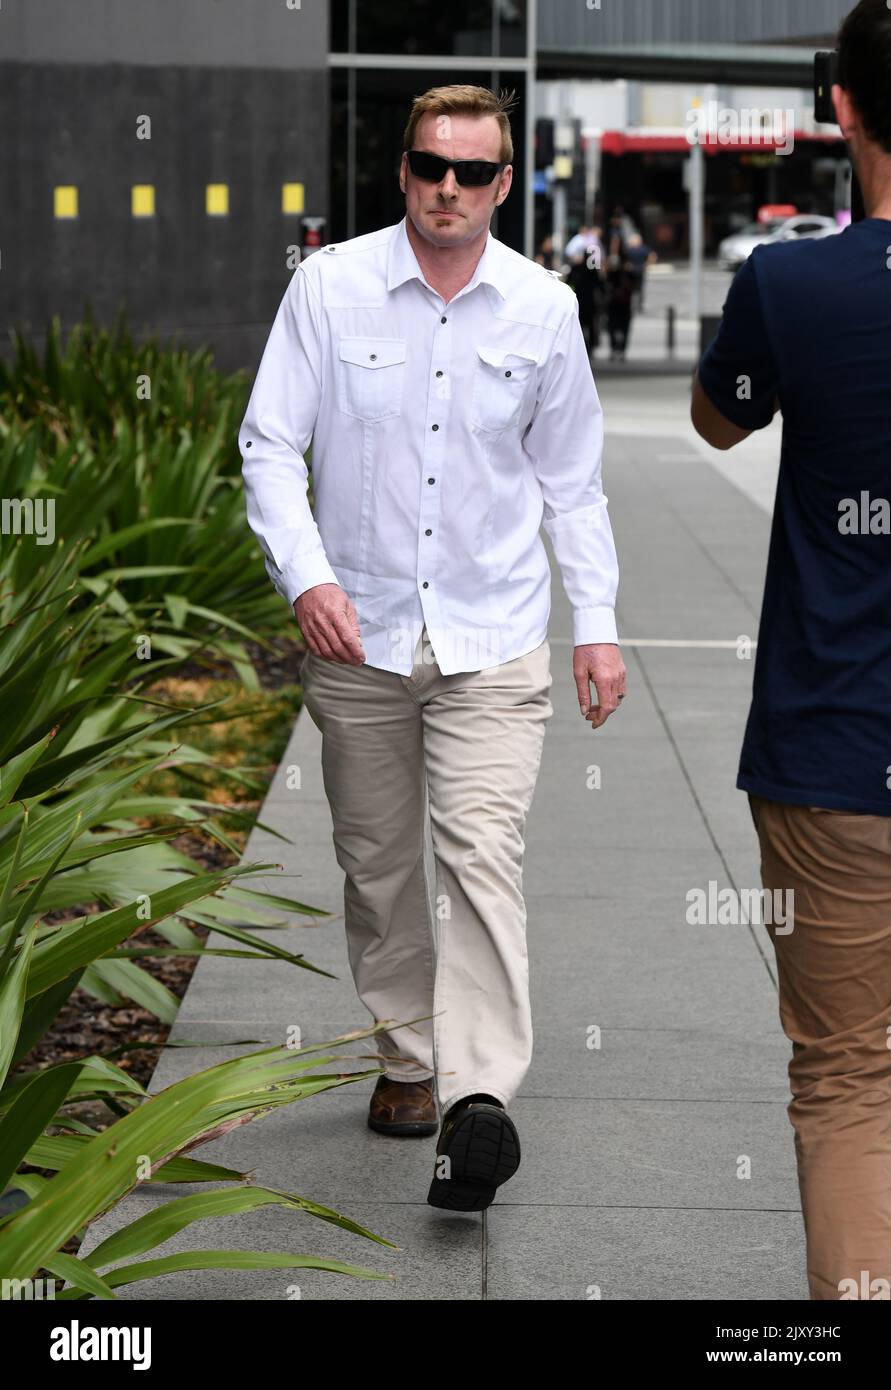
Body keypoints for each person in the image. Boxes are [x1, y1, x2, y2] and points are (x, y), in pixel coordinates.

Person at [239, 84, 626, 1213]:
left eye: (470, 172)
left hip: (493, 637)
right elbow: (269, 445)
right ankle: (409, 1059)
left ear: (504, 184)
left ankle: (478, 1099)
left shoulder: (543, 310)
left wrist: (595, 626)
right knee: (378, 865)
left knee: (481, 853)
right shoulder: (329, 287)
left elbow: (573, 484)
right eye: (428, 167)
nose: (446, 189)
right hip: (356, 635)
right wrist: (304, 574)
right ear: (401, 172)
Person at [691, 0, 891, 1301]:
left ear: (838, 107)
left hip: (832, 751)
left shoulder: (787, 285)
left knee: (844, 1073)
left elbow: (715, 421)